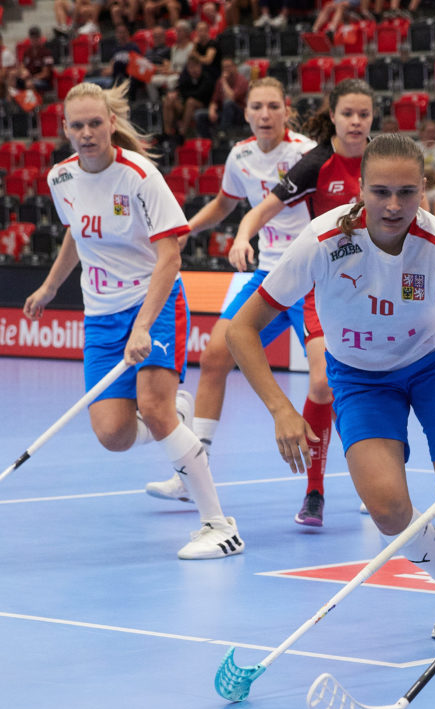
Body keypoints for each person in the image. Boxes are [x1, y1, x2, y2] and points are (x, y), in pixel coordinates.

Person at [225, 134, 435, 638]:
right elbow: (241, 329)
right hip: (360, 377)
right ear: (359, 189)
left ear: (423, 190)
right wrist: (280, 409)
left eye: (406, 192)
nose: (392, 205)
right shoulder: (323, 241)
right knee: (387, 509)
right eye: (380, 191)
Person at [24, 80, 243, 561]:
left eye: (95, 123)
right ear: (65, 129)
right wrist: (50, 287)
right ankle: (177, 419)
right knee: (113, 434)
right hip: (101, 315)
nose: (87, 133)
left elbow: (171, 256)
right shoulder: (61, 178)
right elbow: (76, 233)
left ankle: (218, 526)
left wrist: (143, 324)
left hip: (154, 302)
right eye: (77, 126)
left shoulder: (140, 176)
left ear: (111, 123)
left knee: (154, 409)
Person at [145, 77, 316, 503]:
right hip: (267, 277)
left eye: (273, 106)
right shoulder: (240, 156)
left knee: (333, 382)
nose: (265, 114)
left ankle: (372, 476)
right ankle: (194, 473)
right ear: (246, 113)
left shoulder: (307, 153)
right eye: (257, 107)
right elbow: (225, 205)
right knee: (215, 357)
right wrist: (185, 229)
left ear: (286, 110)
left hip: (312, 279)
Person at [221, 77, 373, 526]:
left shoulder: (384, 158)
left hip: (376, 289)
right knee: (322, 384)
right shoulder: (315, 164)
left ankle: (376, 477)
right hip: (326, 288)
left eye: (364, 114)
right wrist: (242, 237)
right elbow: (261, 209)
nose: (356, 121)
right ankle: (314, 491)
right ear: (333, 115)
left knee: (376, 382)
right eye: (347, 113)